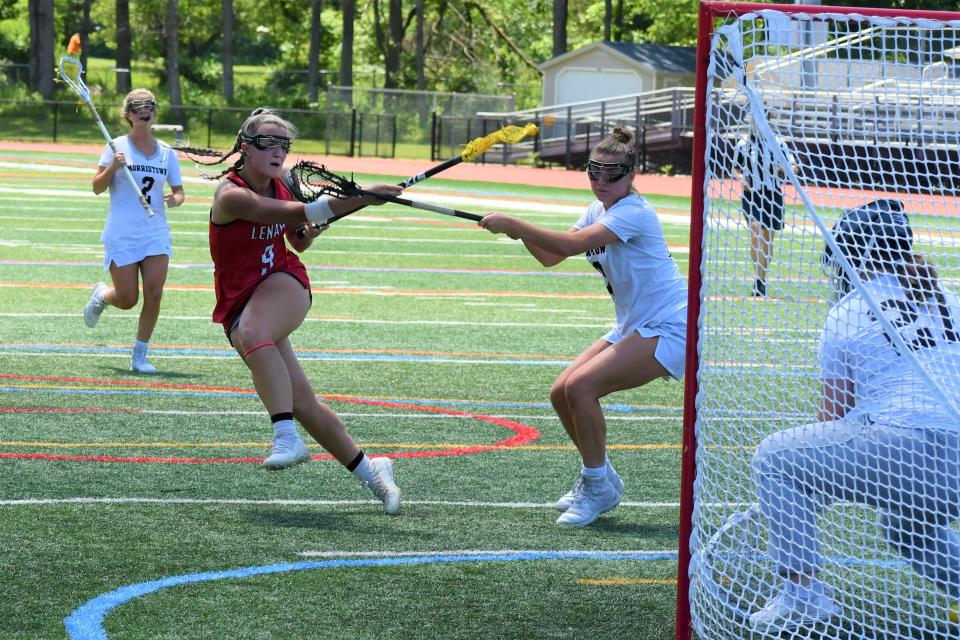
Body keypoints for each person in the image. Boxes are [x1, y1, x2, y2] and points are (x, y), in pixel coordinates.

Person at [750, 199, 960, 633]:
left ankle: (804, 596)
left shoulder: (847, 313)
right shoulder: (950, 300)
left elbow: (834, 418)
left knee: (774, 459)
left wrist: (807, 491)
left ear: (857, 254)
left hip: (910, 447)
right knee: (911, 533)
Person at [478, 126, 688, 526]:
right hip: (635, 322)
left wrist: (518, 225)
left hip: (671, 322)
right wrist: (516, 233)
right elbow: (550, 256)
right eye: (594, 172)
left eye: (613, 174)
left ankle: (595, 486)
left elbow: (571, 246)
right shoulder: (598, 209)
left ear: (631, 174)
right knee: (562, 393)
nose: (602, 182)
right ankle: (602, 478)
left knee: (582, 387)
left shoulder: (634, 212)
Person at [207, 107, 402, 513]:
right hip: (239, 300)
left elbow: (299, 240)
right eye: (268, 142)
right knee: (303, 401)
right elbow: (292, 215)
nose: (278, 150)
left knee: (255, 333)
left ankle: (285, 436)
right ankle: (373, 470)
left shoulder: (283, 186)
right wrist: (365, 196)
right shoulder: (232, 195)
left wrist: (317, 227)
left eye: (284, 143)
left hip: (283, 282)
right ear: (245, 147)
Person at [84, 89, 185, 373]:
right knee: (128, 299)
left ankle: (139, 356)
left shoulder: (166, 153)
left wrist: (175, 200)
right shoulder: (115, 146)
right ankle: (103, 295)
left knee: (154, 292)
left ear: (154, 112)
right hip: (123, 233)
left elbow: (179, 191)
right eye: (137, 106)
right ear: (128, 114)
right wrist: (112, 167)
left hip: (155, 232)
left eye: (149, 105)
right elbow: (96, 187)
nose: (144, 109)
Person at [735, 128, 793, 297]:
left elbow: (793, 165)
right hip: (751, 195)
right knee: (755, 233)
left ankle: (761, 280)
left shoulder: (778, 142)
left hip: (772, 195)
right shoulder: (743, 143)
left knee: (767, 240)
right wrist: (741, 179)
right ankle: (758, 278)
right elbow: (736, 168)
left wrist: (783, 169)